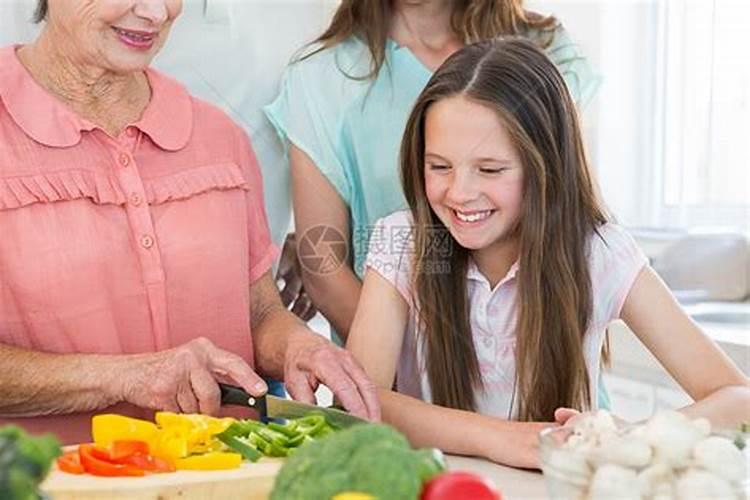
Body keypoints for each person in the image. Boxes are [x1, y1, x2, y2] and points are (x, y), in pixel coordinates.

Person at [345, 38, 750, 469]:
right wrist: (501, 438)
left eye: (491, 169)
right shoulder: (405, 241)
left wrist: (624, 438)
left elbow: (738, 399)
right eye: (439, 166)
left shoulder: (598, 254)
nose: (459, 193)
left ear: (545, 167)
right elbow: (355, 402)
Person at [0, 0, 379, 445]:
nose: (157, 13)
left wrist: (299, 346)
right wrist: (125, 377)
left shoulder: (219, 138)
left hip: (224, 477)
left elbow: (258, 312)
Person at [264, 0, 601, 344]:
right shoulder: (321, 77)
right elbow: (324, 264)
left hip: (544, 362)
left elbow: (576, 214)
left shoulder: (547, 50)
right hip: (396, 379)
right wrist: (426, 371)